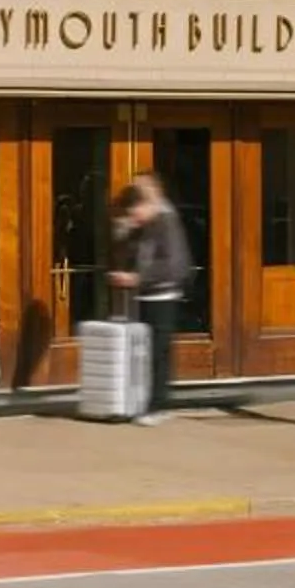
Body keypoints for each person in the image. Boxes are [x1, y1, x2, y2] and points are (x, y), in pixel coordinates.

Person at [109, 173, 194, 423]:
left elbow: (176, 265)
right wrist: (125, 231)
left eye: (137, 211)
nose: (135, 217)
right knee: (144, 352)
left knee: (158, 352)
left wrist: (138, 278)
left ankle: (158, 405)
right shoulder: (147, 223)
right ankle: (142, 402)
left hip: (163, 296)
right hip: (146, 296)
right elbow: (134, 252)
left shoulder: (167, 221)